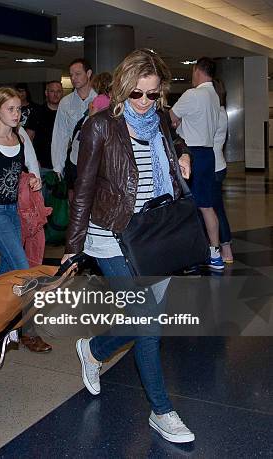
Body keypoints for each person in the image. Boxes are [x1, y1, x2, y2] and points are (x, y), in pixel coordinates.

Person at [63, 49, 195, 443]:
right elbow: (84, 188)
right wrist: (73, 245)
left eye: (152, 95)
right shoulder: (100, 126)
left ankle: (94, 349)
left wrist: (183, 154)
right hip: (111, 236)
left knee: (142, 320)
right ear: (122, 89)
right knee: (150, 323)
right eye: (136, 94)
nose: (144, 102)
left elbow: (177, 138)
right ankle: (161, 411)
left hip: (152, 236)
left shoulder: (159, 123)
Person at [0, 87, 52, 353]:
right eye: (10, 109)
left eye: (18, 109)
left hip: (12, 211)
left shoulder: (18, 140)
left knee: (7, 269)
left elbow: (24, 168)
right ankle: (26, 331)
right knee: (23, 269)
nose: (16, 114)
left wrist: (34, 178)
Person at [170, 57, 223, 269]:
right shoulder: (214, 96)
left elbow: (171, 117)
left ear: (197, 70)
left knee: (187, 207)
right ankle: (215, 253)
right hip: (208, 155)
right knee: (207, 206)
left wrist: (179, 121)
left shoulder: (193, 94)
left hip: (190, 155)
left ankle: (191, 256)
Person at [51, 59, 97, 200]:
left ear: (88, 73)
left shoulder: (100, 99)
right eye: (71, 75)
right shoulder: (66, 102)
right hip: (75, 160)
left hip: (97, 161)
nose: (73, 78)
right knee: (75, 202)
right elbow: (60, 135)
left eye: (78, 74)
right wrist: (57, 166)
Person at [211, 78, 233, 263]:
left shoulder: (216, 113)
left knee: (214, 209)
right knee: (215, 208)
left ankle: (224, 247)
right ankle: (222, 247)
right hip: (219, 165)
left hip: (213, 167)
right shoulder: (222, 112)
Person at [25, 80, 63, 176]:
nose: (56, 95)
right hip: (42, 165)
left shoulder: (65, 113)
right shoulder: (37, 112)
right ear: (46, 93)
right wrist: (33, 160)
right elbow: (28, 138)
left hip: (62, 164)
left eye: (58, 91)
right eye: (52, 91)